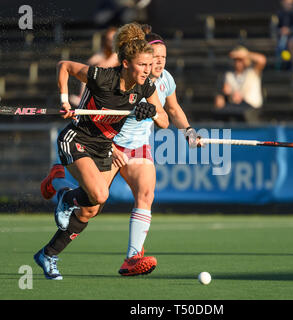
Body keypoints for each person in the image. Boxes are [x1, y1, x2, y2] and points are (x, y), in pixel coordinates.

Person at [39, 26, 201, 277]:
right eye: (152, 58)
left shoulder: (158, 81)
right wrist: (63, 101)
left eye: (161, 58)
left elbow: (168, 115)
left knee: (145, 193)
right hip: (107, 144)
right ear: (134, 59)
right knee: (91, 206)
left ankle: (132, 258)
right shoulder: (107, 77)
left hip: (136, 146)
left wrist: (178, 126)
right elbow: (66, 67)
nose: (156, 64)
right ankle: (59, 195)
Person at [69, 26, 119, 107]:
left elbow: (106, 65)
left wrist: (95, 66)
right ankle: (83, 98)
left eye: (113, 39)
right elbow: (90, 62)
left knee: (92, 73)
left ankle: (83, 98)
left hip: (115, 80)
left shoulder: (118, 52)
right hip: (105, 78)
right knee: (88, 71)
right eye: (108, 39)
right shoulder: (104, 50)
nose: (111, 41)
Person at [214, 46, 266, 122]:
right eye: (236, 60)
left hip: (252, 109)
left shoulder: (253, 72)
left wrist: (244, 54)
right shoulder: (229, 75)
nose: (238, 63)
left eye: (240, 60)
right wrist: (226, 95)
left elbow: (262, 60)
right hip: (236, 108)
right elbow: (224, 96)